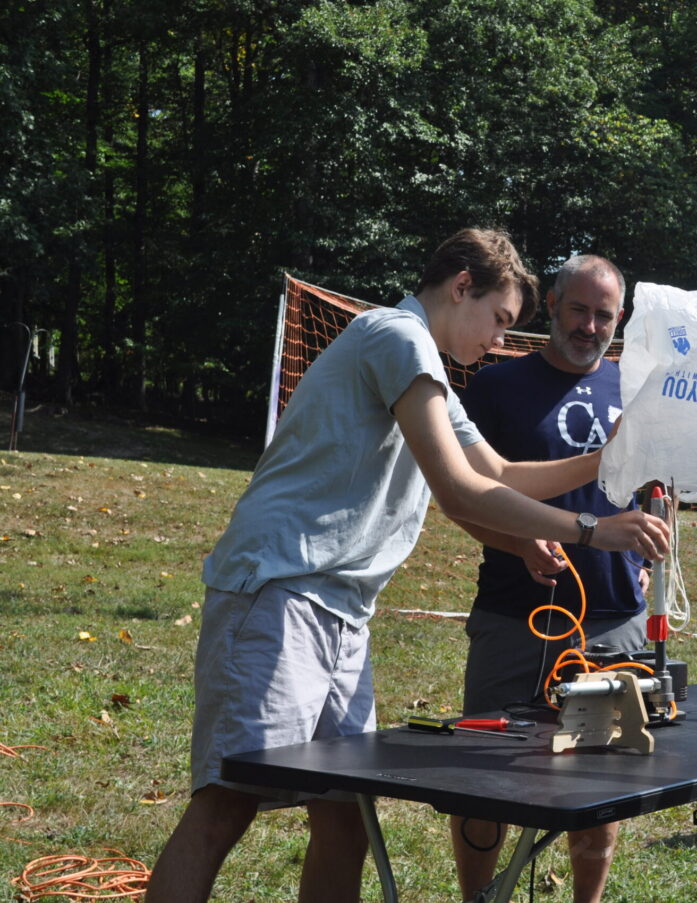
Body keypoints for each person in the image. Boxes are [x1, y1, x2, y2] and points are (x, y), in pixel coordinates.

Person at [142, 229, 669, 903]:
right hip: (280, 592)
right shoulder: (397, 337)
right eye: (500, 318)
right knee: (228, 801)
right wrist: (592, 530)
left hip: (341, 612)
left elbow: (501, 472)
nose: (500, 341)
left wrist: (604, 459)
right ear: (461, 287)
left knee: (344, 812)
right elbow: (459, 491)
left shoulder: (430, 373)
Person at [450, 254, 645, 903]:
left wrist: (647, 558)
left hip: (612, 622)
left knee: (597, 781)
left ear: (619, 319)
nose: (589, 326)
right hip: (515, 617)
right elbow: (460, 497)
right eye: (578, 309)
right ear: (554, 305)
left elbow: (655, 488)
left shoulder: (635, 389)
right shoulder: (496, 385)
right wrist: (515, 542)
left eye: (603, 315)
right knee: (485, 778)